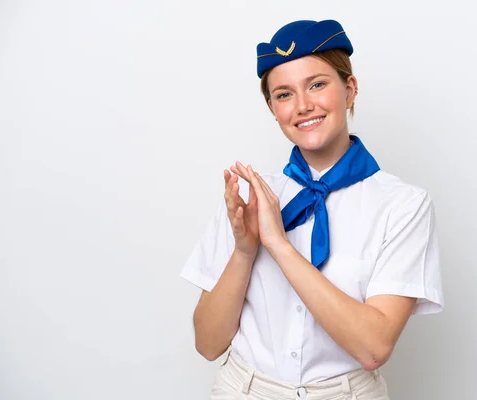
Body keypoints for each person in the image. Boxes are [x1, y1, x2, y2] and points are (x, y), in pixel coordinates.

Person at [180, 19, 444, 400]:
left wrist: (279, 245)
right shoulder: (251, 198)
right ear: (273, 108)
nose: (303, 106)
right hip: (243, 390)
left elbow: (374, 347)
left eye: (317, 84)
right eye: (284, 95)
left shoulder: (403, 206)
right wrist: (244, 250)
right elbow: (208, 344)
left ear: (350, 89)